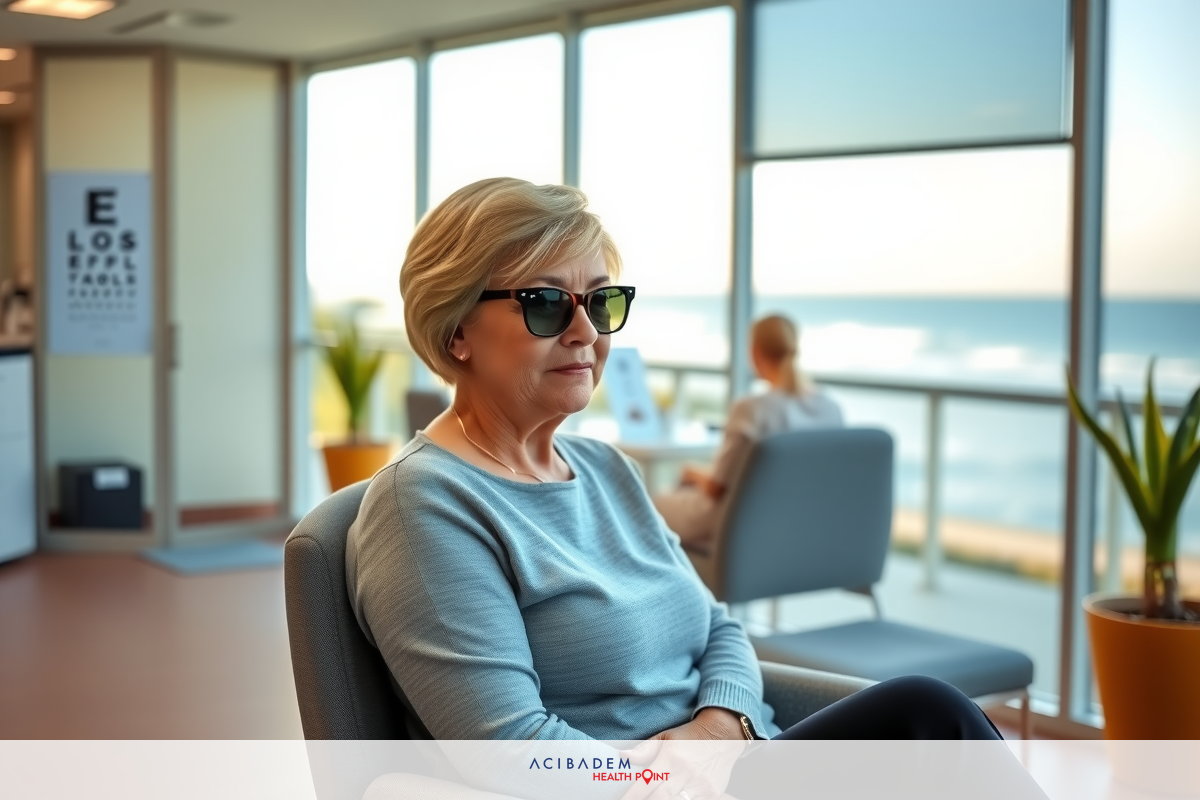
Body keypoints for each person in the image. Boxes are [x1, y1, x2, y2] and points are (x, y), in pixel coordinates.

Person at [345, 177, 1006, 796]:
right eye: (545, 303)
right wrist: (671, 778)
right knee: (929, 717)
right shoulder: (426, 506)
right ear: (456, 328)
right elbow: (512, 750)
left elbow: (717, 625)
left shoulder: (605, 469)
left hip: (730, 767)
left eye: (601, 301)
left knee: (928, 716)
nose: (585, 332)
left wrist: (719, 730)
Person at [653, 315, 842, 557]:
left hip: (738, 525)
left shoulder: (753, 410)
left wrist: (692, 472)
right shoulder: (830, 407)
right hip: (803, 525)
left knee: (653, 506)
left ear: (755, 351)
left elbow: (716, 489)